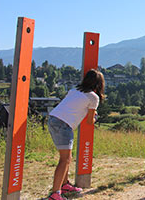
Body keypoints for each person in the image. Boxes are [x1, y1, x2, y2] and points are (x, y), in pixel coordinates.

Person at [47, 69, 105, 200]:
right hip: (64, 124)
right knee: (65, 160)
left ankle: (65, 184)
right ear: (99, 84)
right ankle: (55, 193)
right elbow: (90, 122)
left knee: (67, 157)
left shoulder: (73, 91)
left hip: (53, 119)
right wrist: (95, 117)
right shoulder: (93, 97)